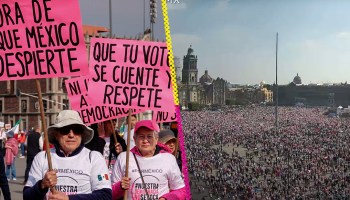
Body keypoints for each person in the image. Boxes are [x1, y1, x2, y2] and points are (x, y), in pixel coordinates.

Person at [23, 110, 112, 200]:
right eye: (65, 130)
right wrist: (41, 185)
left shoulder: (94, 158)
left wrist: (68, 198)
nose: (71, 134)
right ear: (56, 134)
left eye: (77, 130)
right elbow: (27, 196)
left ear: (81, 134)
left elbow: (105, 196)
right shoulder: (42, 157)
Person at [112, 120, 186, 200]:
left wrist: (166, 198)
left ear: (156, 139)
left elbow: (181, 190)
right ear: (135, 139)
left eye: (149, 136)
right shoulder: (124, 158)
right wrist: (120, 187)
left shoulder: (168, 158)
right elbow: (110, 193)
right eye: (141, 136)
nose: (145, 140)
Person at [0, 128, 11, 200]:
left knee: (6, 190)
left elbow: (1, 153)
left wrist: (4, 148)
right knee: (5, 189)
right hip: (1, 173)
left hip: (1, 172)